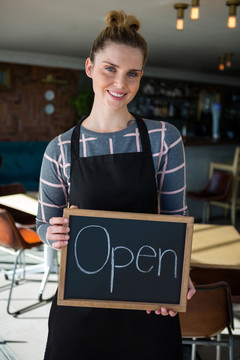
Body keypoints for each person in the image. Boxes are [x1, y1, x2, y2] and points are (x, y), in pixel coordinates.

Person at [36, 10, 195, 360]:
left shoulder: (164, 139)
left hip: (149, 305)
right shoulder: (59, 149)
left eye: (132, 74)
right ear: (90, 67)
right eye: (110, 68)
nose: (121, 84)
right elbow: (43, 224)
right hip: (81, 305)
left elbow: (176, 219)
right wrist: (54, 233)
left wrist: (179, 277)